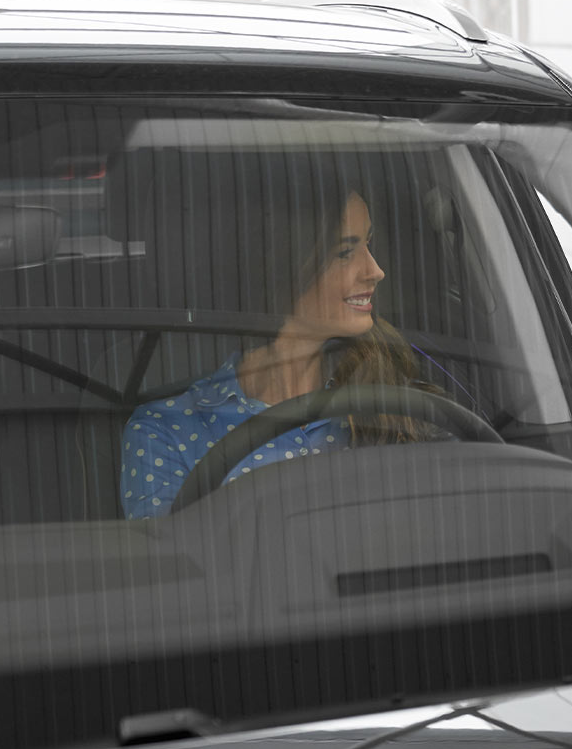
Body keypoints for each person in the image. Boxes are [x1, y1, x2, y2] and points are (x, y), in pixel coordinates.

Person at [122, 169, 429, 517]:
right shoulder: (165, 430)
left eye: (368, 244)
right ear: (283, 266)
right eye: (346, 252)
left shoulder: (390, 390)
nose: (375, 270)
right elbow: (174, 567)